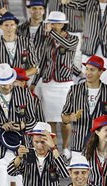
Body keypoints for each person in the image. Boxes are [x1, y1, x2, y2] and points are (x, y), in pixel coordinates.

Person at [31, 11, 77, 155]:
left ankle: (66, 147)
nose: (52, 25)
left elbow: (67, 45)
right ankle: (54, 148)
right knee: (50, 119)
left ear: (63, 24)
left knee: (65, 119)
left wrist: (52, 33)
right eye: (51, 23)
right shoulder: (47, 40)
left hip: (64, 83)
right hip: (48, 83)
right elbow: (43, 62)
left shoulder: (73, 39)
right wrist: (34, 82)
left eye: (56, 23)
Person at [61, 55, 107, 161]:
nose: (88, 73)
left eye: (92, 70)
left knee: (100, 176)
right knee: (78, 176)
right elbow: (64, 117)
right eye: (86, 69)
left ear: (100, 72)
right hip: (78, 144)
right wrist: (70, 118)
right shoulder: (74, 90)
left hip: (101, 146)